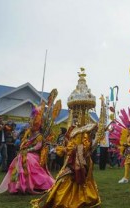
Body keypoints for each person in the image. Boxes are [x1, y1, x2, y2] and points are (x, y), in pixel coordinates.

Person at [31, 68, 105, 207]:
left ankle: (82, 199)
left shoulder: (87, 128)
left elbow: (85, 145)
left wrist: (71, 150)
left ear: (84, 113)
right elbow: (68, 142)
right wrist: (64, 148)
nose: (76, 115)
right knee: (63, 179)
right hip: (71, 157)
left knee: (75, 179)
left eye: (79, 112)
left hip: (80, 159)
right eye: (75, 112)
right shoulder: (72, 129)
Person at [0, 91, 61, 194]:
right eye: (31, 123)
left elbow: (38, 146)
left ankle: (35, 184)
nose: (31, 125)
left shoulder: (39, 135)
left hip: (34, 155)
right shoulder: (28, 134)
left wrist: (27, 150)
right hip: (26, 153)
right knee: (19, 158)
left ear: (37, 126)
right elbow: (23, 142)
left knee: (27, 158)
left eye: (33, 124)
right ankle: (18, 185)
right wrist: (23, 148)